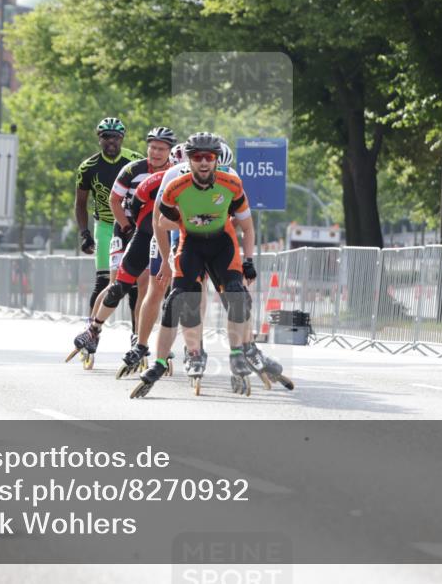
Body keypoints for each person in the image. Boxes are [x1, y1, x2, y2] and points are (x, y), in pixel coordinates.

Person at [131, 133, 289, 398]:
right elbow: (160, 223)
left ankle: (240, 351)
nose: (204, 162)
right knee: (177, 301)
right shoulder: (175, 186)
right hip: (190, 244)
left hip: (221, 245)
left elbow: (247, 227)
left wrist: (248, 261)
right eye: (197, 157)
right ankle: (163, 362)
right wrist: (181, 231)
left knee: (238, 297)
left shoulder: (232, 183)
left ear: (216, 160)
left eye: (209, 157)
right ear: (189, 160)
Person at [70, 127, 177, 364]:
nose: (156, 153)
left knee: (145, 283)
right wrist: (126, 226)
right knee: (115, 283)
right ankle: (93, 330)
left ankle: (138, 336)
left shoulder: (175, 171)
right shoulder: (132, 169)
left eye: (161, 149)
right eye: (153, 148)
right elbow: (114, 200)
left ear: (169, 152)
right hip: (126, 227)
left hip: (154, 232)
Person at [71, 118, 144, 367]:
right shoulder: (88, 166)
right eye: (106, 137)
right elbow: (80, 203)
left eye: (116, 137)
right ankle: (93, 333)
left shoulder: (135, 160)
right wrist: (84, 233)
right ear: (99, 138)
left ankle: (137, 337)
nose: (111, 141)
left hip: (132, 225)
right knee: (105, 281)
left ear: (122, 139)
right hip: (104, 225)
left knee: (134, 284)